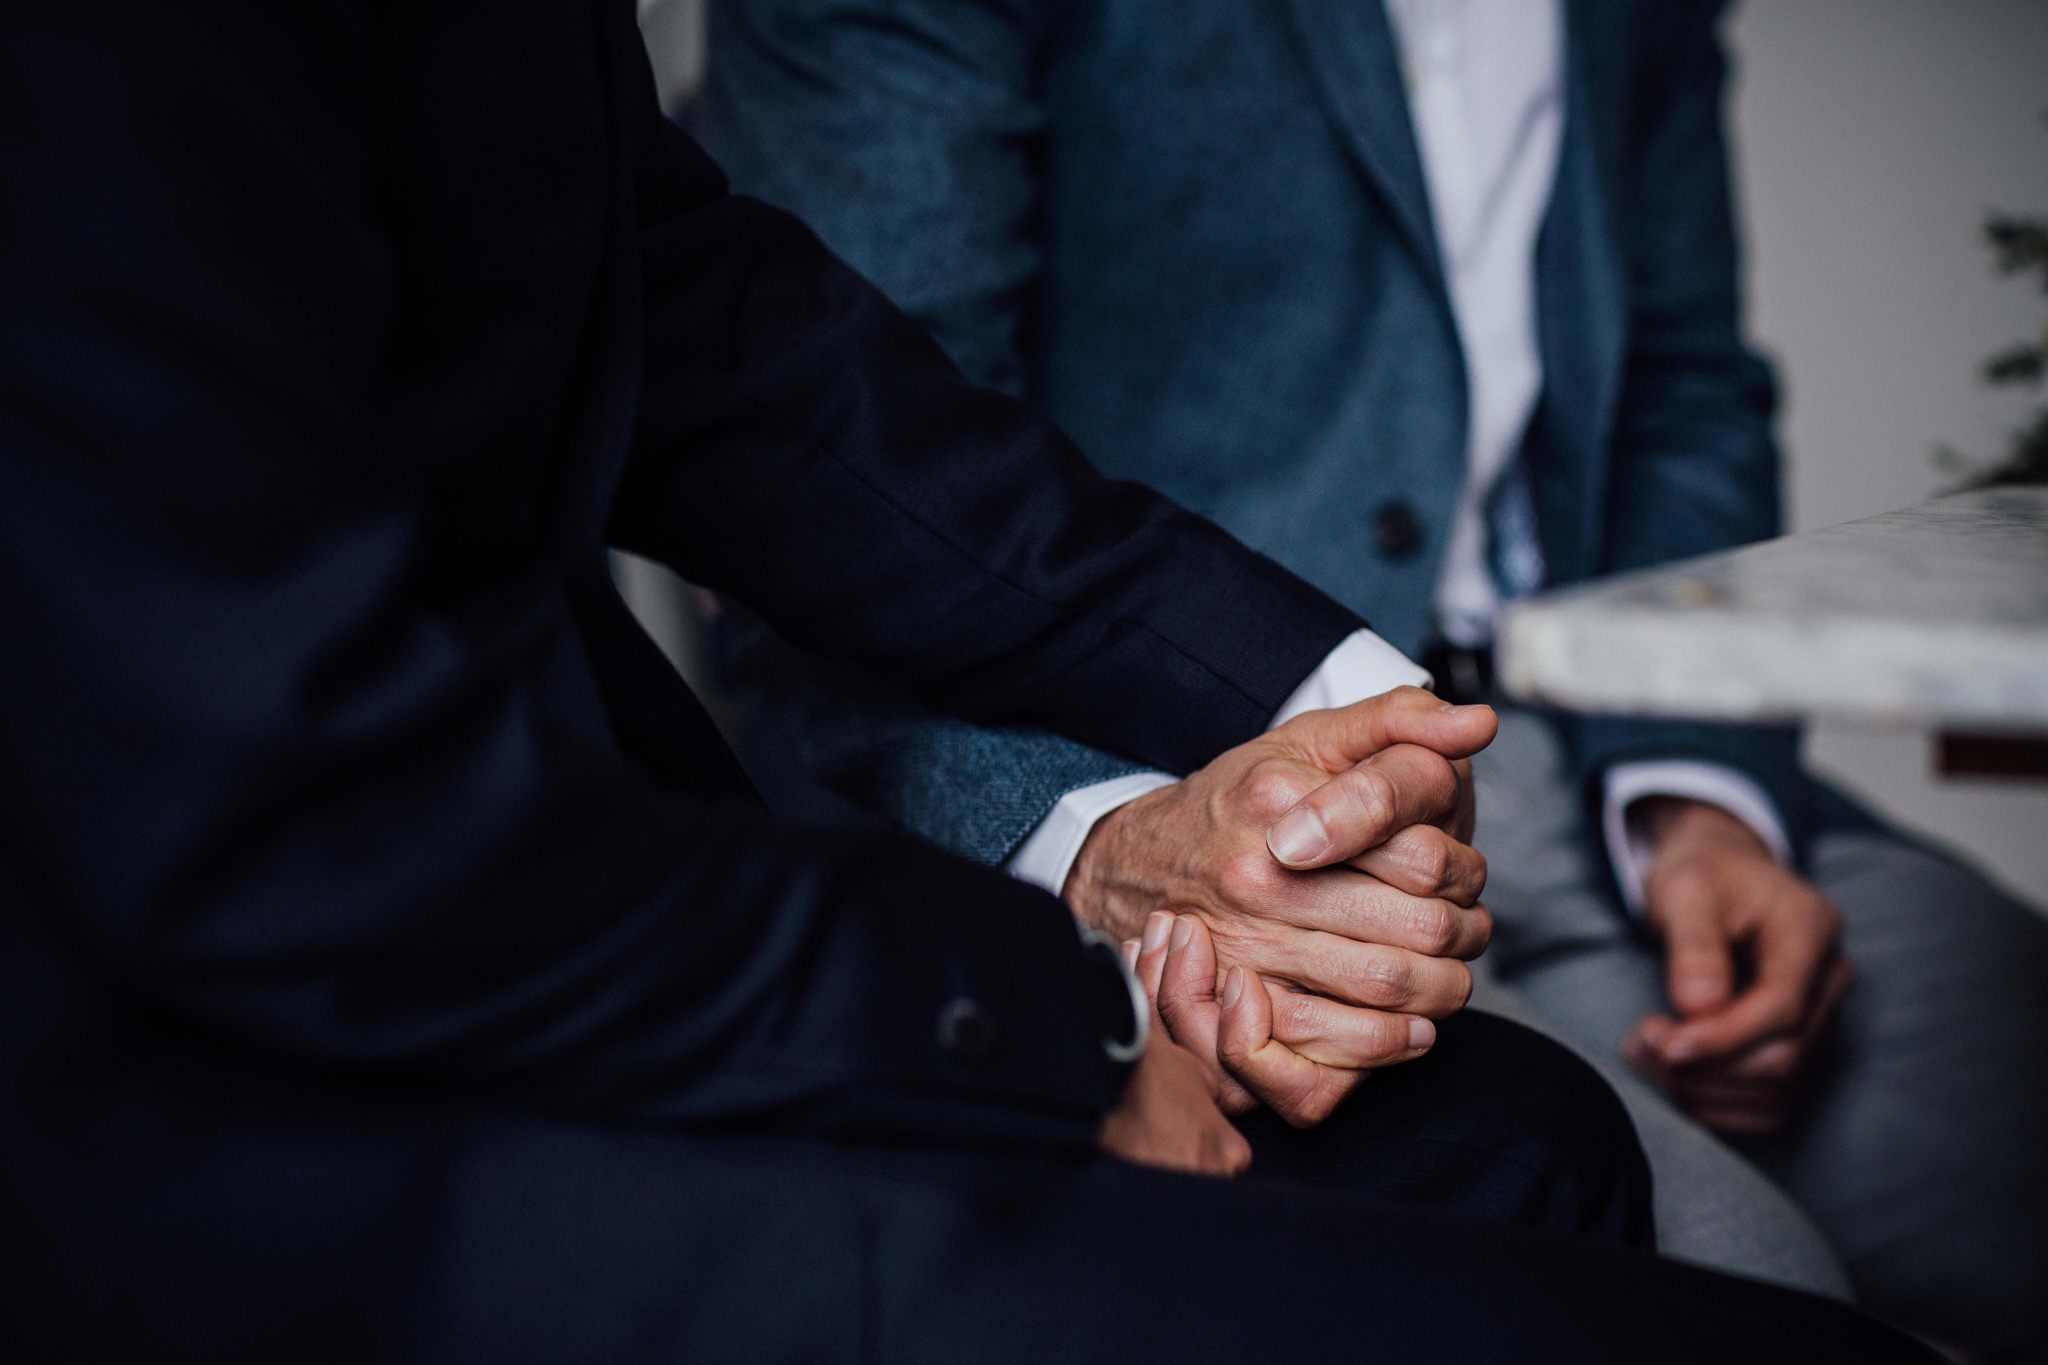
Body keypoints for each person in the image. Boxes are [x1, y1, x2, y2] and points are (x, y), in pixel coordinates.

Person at [0, 1, 1943, 1361]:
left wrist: (1321, 718)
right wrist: (1071, 1005)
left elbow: (738, 350)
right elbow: (301, 810)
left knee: (1544, 1137)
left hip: (521, 912)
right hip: (237, 1116)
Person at [694, 0, 2048, 1353]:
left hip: (1595, 756)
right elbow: (828, 479)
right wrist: (1100, 847)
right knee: (1750, 1285)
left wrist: (1698, 797)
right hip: (1192, 781)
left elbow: (1681, 387)